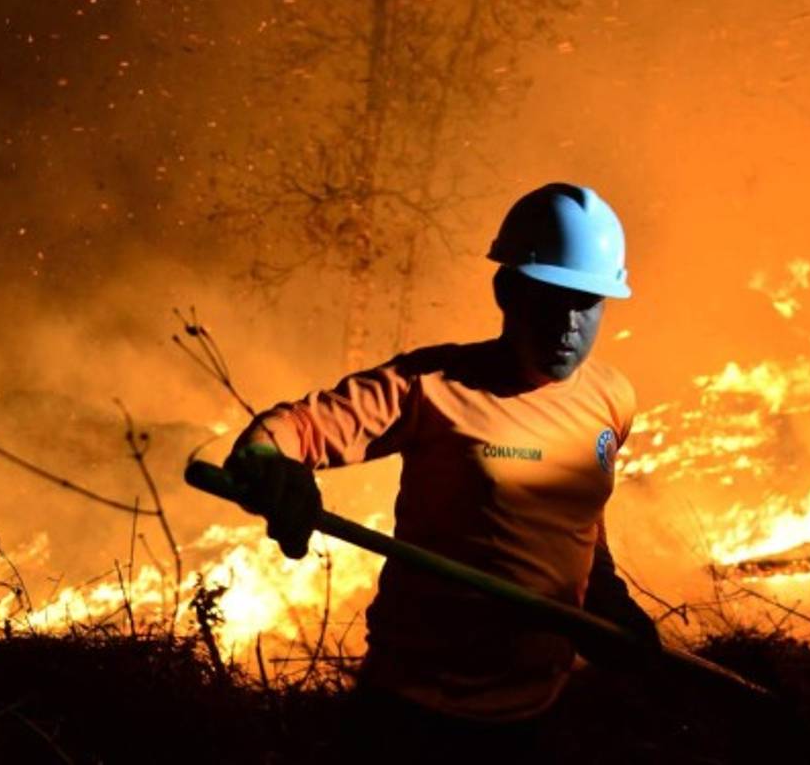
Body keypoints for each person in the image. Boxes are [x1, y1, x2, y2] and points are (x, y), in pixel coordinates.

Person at [225, 183, 658, 761]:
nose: (568, 324)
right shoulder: (430, 385)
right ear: (507, 290)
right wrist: (270, 465)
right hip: (413, 717)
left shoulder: (613, 399)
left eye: (589, 302)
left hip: (539, 714)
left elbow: (579, 514)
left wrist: (605, 593)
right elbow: (290, 428)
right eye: (552, 298)